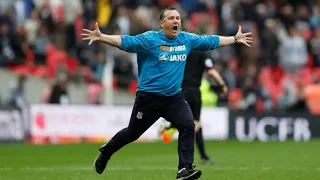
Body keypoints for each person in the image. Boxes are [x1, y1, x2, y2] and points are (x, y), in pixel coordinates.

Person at [81, 6, 252, 180]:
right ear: (162, 23)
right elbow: (125, 41)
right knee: (132, 133)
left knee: (187, 125)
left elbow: (211, 41)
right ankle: (106, 152)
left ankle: (184, 169)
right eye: (171, 18)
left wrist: (235, 39)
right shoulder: (149, 39)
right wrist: (102, 37)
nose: (176, 21)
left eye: (178, 18)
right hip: (149, 98)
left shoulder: (186, 39)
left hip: (174, 98)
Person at [159, 51, 228, 165]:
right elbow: (211, 71)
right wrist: (222, 85)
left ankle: (203, 155)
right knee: (195, 124)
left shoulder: (180, 50)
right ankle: (172, 127)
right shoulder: (201, 52)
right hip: (194, 92)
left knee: (193, 124)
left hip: (179, 91)